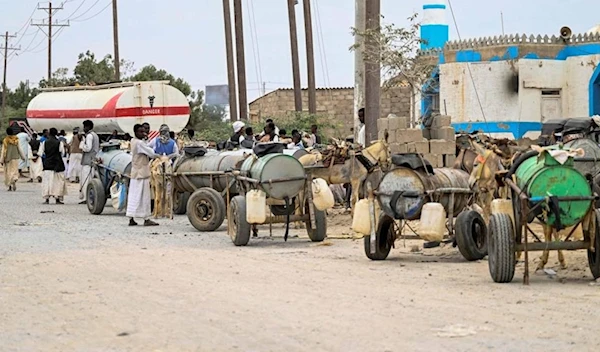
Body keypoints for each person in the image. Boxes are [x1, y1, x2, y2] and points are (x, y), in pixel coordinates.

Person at [127, 124, 159, 226]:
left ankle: (131, 217)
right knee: (144, 196)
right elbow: (151, 153)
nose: (143, 133)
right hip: (142, 173)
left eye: (143, 131)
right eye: (140, 132)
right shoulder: (140, 143)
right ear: (136, 132)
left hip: (135, 172)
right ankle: (146, 218)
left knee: (134, 195)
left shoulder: (133, 141)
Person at [39, 128, 67, 204]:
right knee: (58, 182)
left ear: (49, 133)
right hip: (57, 164)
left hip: (47, 164)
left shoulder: (44, 142)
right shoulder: (59, 143)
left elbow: (40, 153)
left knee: (47, 181)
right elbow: (62, 152)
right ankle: (57, 199)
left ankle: (46, 199)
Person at [79, 120, 100, 204]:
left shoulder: (89, 136)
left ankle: (86, 198)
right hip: (93, 160)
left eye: (84, 127)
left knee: (86, 179)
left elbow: (88, 148)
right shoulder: (95, 135)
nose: (83, 129)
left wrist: (81, 144)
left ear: (88, 127)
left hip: (88, 161)